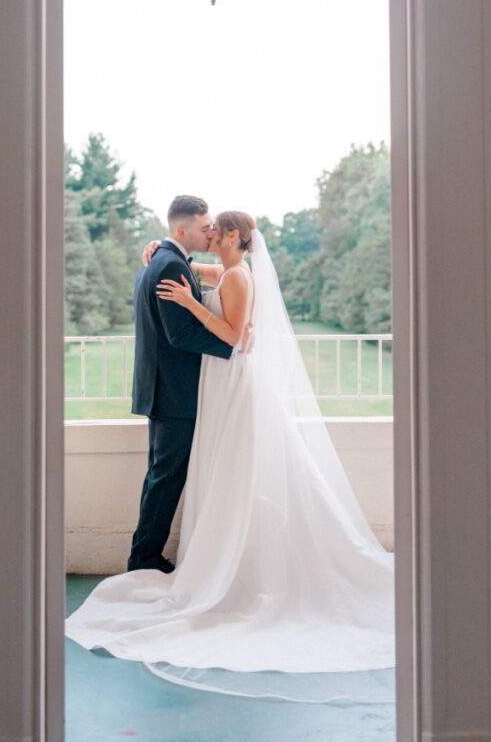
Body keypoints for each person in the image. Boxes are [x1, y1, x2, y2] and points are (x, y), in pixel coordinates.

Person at [66, 211, 395, 702]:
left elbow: (236, 335)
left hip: (234, 383)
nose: (212, 234)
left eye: (219, 229)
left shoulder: (240, 275)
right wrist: (158, 251)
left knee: (241, 470)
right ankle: (209, 552)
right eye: (207, 228)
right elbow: (194, 271)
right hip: (216, 385)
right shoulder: (224, 270)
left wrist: (189, 304)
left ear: (237, 237)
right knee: (220, 469)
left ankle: (241, 561)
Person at [127, 195, 233, 573]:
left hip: (163, 389)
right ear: (182, 229)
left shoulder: (165, 259)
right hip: (173, 393)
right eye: (205, 229)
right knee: (165, 479)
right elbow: (180, 335)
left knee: (161, 477)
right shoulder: (169, 265)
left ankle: (143, 556)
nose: (212, 233)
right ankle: (144, 561)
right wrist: (233, 348)